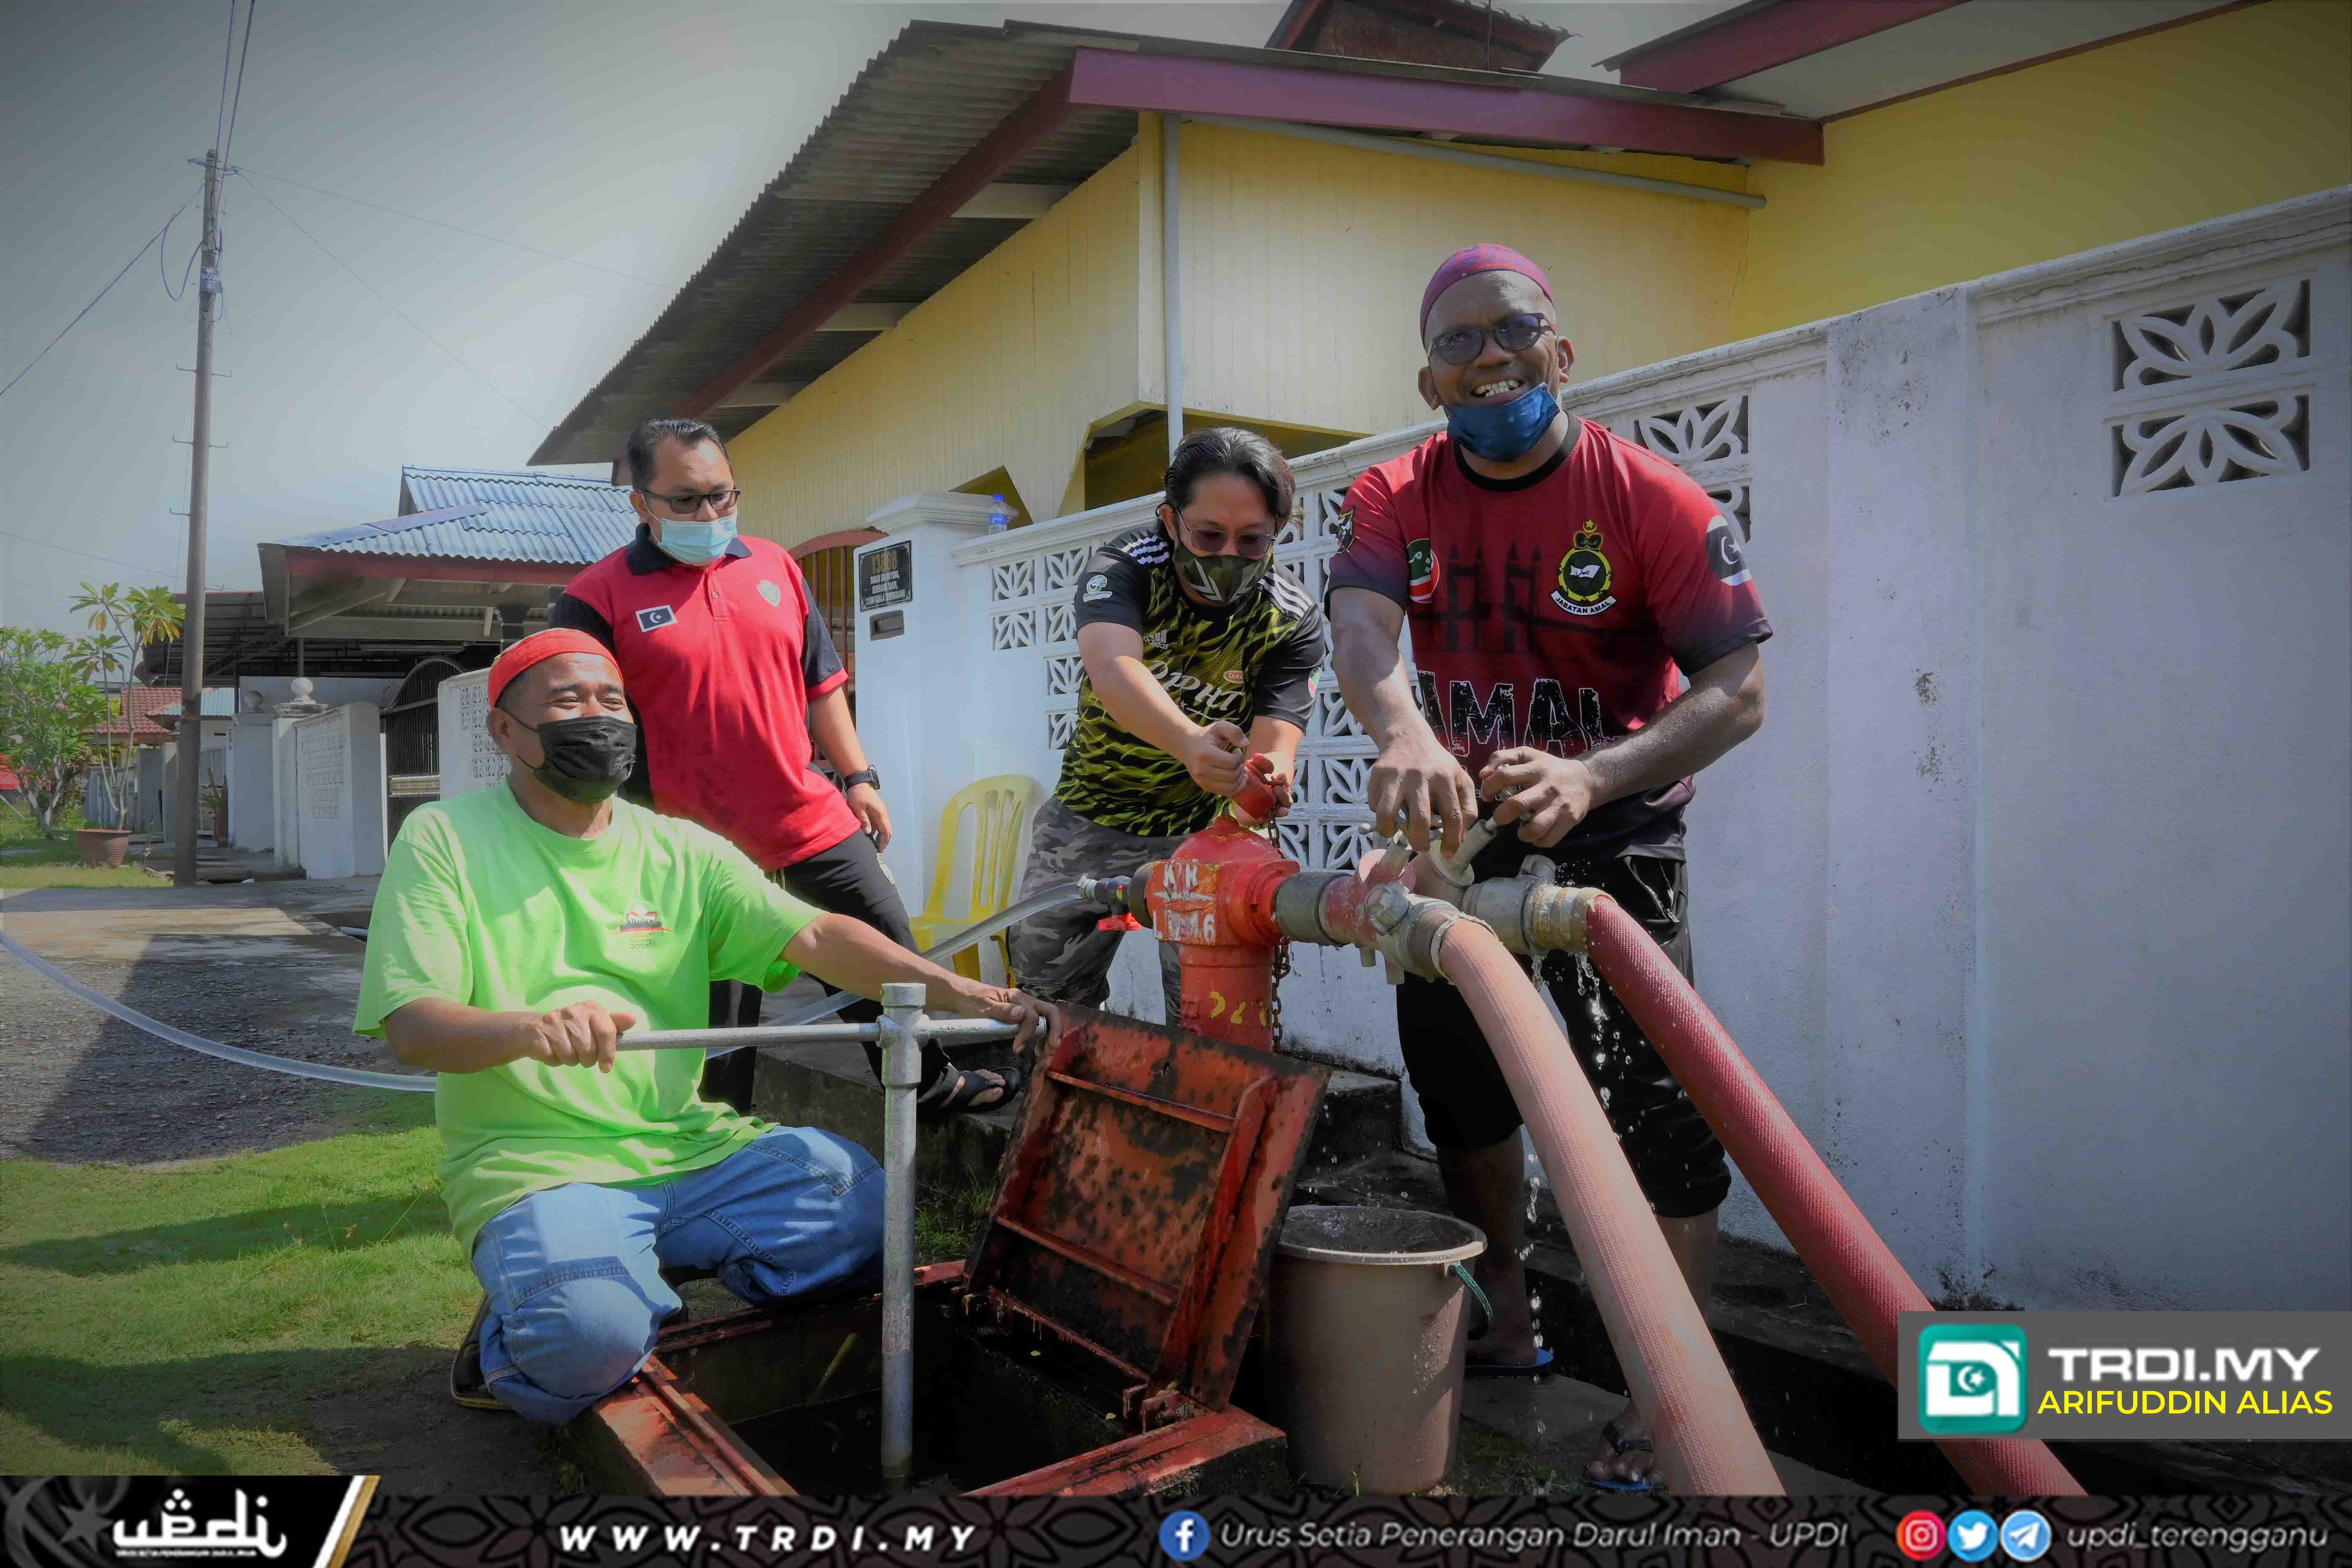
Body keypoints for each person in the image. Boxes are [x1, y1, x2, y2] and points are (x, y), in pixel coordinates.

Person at [354, 630, 1053, 1421]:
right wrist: (528, 1028)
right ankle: (518, 1338)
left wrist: (963, 993)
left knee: (867, 1217)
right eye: (567, 700)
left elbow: (819, 937)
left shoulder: (682, 848)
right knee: (587, 1341)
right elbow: (415, 1027)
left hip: (688, 1144)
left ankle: (629, 1266)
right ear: (504, 731)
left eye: (612, 700)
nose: (597, 715)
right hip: (537, 1161)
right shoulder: (445, 839)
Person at [1326, 245, 1769, 1489]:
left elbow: (1739, 691)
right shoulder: (1393, 495)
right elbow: (1362, 624)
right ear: (1430, 380)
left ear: (1561, 353)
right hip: (1456, 840)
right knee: (1464, 1094)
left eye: (1512, 329)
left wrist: (1596, 776)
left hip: (1613, 838)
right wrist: (1404, 732)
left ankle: (1666, 1387)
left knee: (1658, 1119)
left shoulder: (1652, 501)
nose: (1490, 356)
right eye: (1458, 342)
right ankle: (1509, 1311)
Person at [550, 418, 1013, 1116]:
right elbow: (580, 723)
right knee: (722, 1015)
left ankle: (927, 1085)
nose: (710, 515)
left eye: (723, 496)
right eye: (686, 501)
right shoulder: (598, 597)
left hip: (807, 816)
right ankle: (712, 1134)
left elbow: (821, 685)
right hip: (692, 845)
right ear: (640, 504)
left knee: (886, 952)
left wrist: (860, 779)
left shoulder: (774, 566)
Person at [1005, 427, 1323, 1020]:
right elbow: (1113, 666)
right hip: (1091, 817)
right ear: (1170, 520)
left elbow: (1280, 739)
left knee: (1213, 1002)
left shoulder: (1291, 617)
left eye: (1253, 541)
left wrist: (1265, 779)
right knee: (1044, 985)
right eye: (1208, 535)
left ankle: (1195, 1102)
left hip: (1205, 834)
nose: (1227, 555)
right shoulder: (1127, 567)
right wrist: (1189, 743)